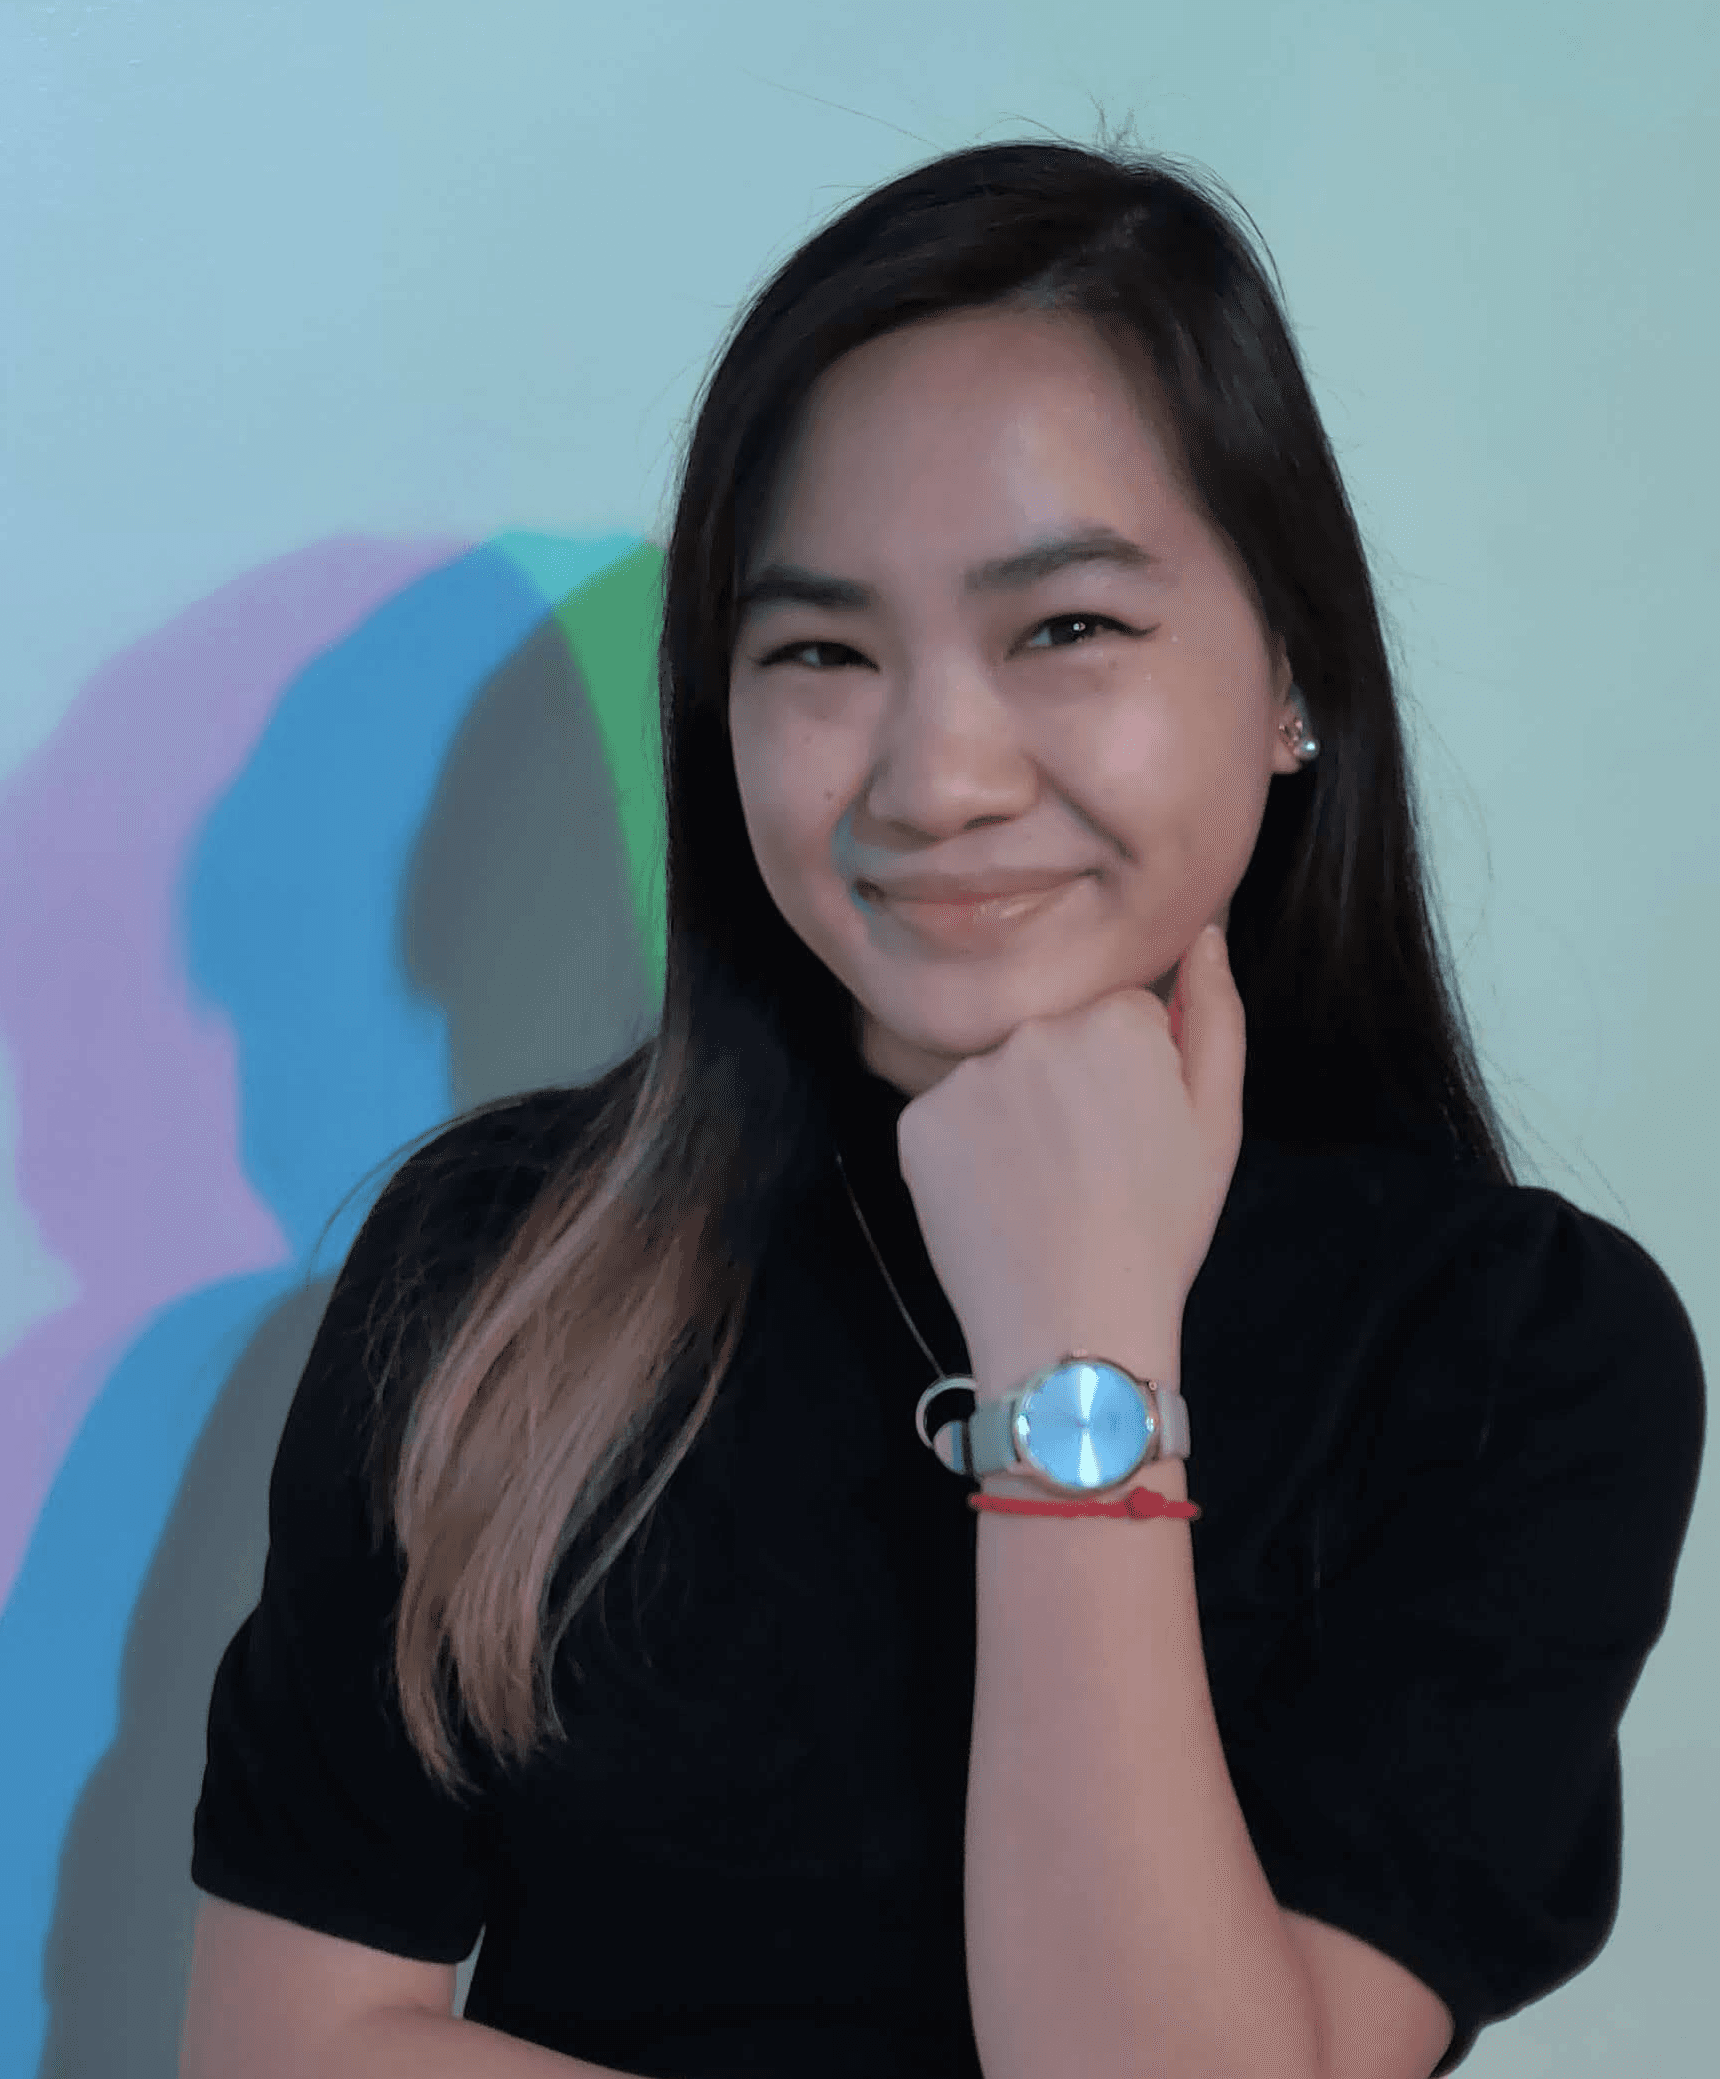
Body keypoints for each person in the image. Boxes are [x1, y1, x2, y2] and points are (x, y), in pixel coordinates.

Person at [177, 140, 1705, 2079]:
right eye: (820, 650)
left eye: (1064, 629)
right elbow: (288, 2045)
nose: (936, 776)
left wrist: (1075, 1344)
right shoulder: (509, 1269)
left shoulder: (1514, 1354)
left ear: (1292, 674)